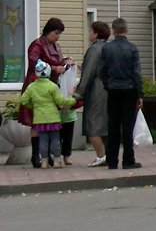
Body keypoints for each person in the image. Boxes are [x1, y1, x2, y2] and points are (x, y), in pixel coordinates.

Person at [21, 18, 75, 169]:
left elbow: (57, 62)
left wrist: (66, 61)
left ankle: (47, 155)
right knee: (35, 121)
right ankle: (36, 155)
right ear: (48, 31)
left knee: (49, 123)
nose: (58, 36)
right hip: (36, 86)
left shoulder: (55, 46)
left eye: (59, 34)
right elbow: (34, 64)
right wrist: (54, 68)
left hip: (51, 86)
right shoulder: (37, 45)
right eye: (56, 33)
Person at [97, 17, 143, 169]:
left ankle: (112, 160)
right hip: (129, 89)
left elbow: (101, 70)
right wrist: (140, 94)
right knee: (128, 126)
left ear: (113, 31)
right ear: (126, 30)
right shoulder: (132, 48)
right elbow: (136, 73)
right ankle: (128, 160)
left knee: (113, 125)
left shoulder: (107, 48)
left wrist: (108, 84)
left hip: (113, 89)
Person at [19, 61, 80, 169]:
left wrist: (33, 106)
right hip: (53, 117)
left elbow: (23, 100)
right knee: (55, 140)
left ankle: (44, 162)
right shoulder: (52, 86)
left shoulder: (32, 87)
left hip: (39, 118)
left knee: (43, 140)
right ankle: (57, 161)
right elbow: (60, 100)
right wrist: (73, 100)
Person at [75, 21, 111, 167]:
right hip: (110, 90)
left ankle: (101, 155)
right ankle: (109, 154)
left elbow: (89, 72)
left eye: (91, 31)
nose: (89, 33)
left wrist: (78, 93)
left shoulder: (94, 49)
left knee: (92, 124)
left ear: (96, 34)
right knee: (107, 124)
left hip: (96, 90)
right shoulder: (109, 47)